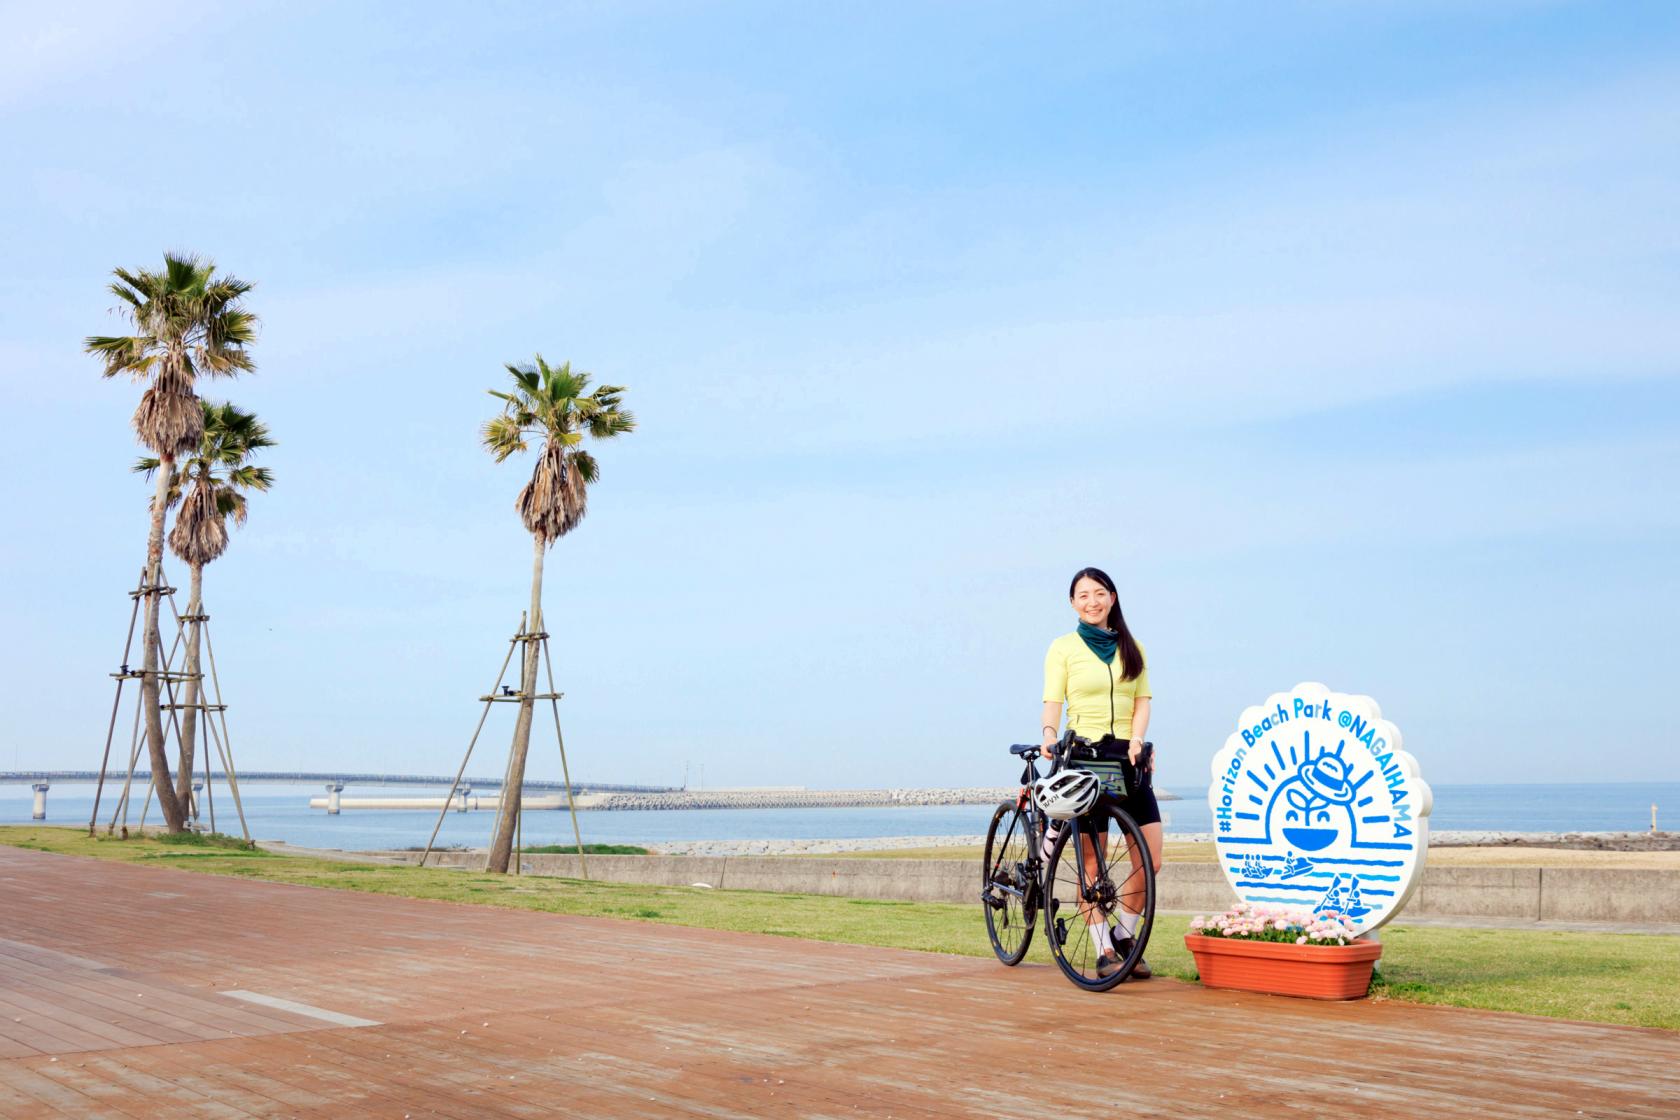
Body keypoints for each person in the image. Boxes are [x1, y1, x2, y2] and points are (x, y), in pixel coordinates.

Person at [1039, 566, 1162, 980]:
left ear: (1112, 597)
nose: (1092, 601)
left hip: (1128, 757)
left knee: (1151, 858)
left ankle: (1125, 936)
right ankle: (1102, 950)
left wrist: (1138, 739)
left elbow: (1142, 700)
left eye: (1099, 593)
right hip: (1085, 758)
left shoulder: (1134, 647)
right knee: (1092, 864)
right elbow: (1053, 700)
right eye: (1082, 595)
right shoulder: (1064, 648)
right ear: (1073, 604)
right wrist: (1049, 735)